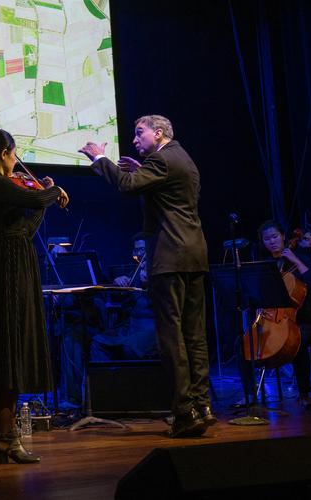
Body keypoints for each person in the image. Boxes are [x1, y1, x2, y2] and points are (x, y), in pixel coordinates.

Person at [80, 114, 212, 438]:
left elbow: (125, 186)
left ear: (159, 132)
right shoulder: (182, 157)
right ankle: (202, 405)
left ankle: (184, 413)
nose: (135, 140)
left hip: (170, 257)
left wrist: (100, 157)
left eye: (139, 134)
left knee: (172, 337)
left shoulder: (162, 160)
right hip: (195, 255)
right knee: (195, 336)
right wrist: (142, 173)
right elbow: (165, 195)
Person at [0, 129, 68, 463]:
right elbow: (36, 200)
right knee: (7, 346)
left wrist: (45, 195)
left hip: (15, 260)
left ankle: (6, 436)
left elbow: (24, 230)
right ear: (5, 153)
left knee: (13, 347)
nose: (15, 160)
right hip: (5, 267)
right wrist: (51, 191)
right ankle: (4, 435)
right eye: (14, 153)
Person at [236, 221, 311, 410]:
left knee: (297, 340)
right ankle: (249, 392)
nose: (271, 241)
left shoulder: (302, 257)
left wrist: (296, 260)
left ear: (283, 236)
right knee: (242, 343)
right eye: (267, 239)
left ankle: (304, 393)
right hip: (273, 318)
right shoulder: (266, 265)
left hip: (305, 319)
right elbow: (254, 296)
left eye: (274, 236)